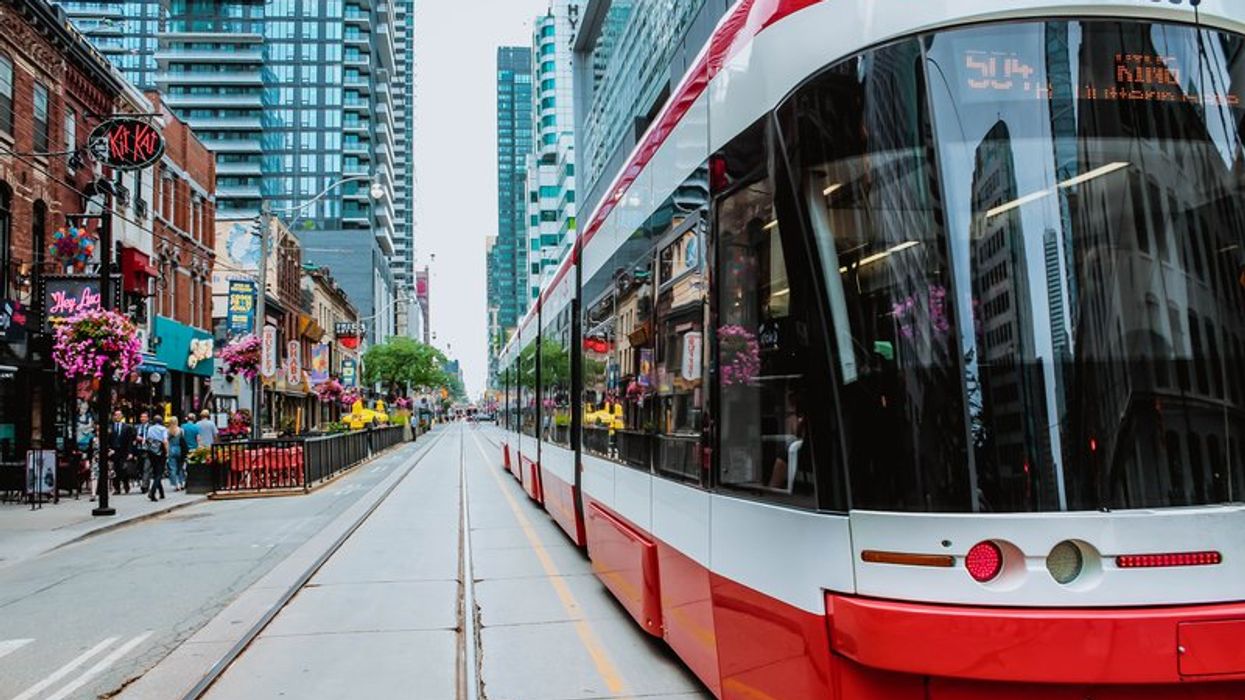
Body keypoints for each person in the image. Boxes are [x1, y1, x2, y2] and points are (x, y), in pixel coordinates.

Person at [107, 410, 136, 494]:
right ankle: (117, 488)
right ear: (114, 416)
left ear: (122, 416)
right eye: (116, 415)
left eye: (119, 415)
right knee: (115, 470)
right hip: (114, 451)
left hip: (124, 451)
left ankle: (126, 484)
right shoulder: (110, 427)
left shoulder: (127, 427)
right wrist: (109, 449)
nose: (118, 416)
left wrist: (130, 452)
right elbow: (107, 440)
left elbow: (130, 440)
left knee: (123, 469)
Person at [145, 415, 169, 501]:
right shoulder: (163, 429)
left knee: (156, 472)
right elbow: (165, 441)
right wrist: (167, 452)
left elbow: (147, 439)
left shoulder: (150, 428)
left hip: (151, 452)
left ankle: (162, 493)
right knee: (159, 473)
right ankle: (152, 492)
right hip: (160, 452)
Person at [166, 416, 187, 491]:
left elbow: (167, 442)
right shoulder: (181, 430)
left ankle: (175, 484)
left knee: (172, 468)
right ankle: (181, 482)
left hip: (171, 449)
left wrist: (167, 452)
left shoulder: (168, 431)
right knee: (180, 467)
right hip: (179, 449)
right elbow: (182, 440)